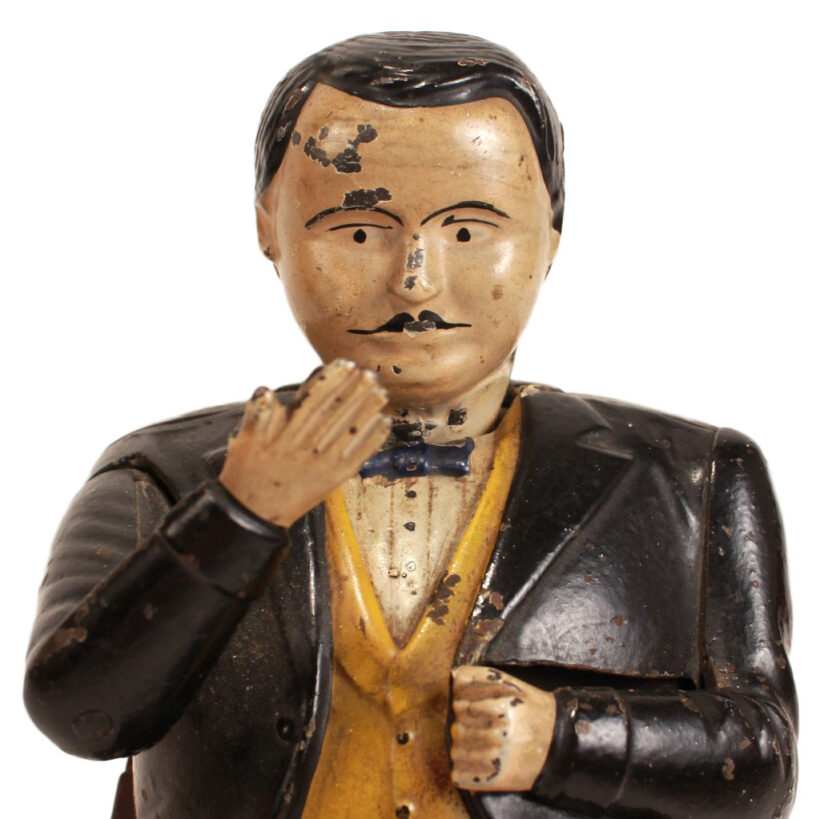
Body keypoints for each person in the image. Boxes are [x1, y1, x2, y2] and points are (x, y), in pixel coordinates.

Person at [24, 31, 797, 818]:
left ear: (551, 233)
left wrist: (564, 739)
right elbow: (79, 710)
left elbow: (764, 755)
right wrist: (236, 516)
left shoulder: (689, 478)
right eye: (359, 230)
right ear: (268, 229)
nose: (415, 279)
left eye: (467, 230)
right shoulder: (162, 475)